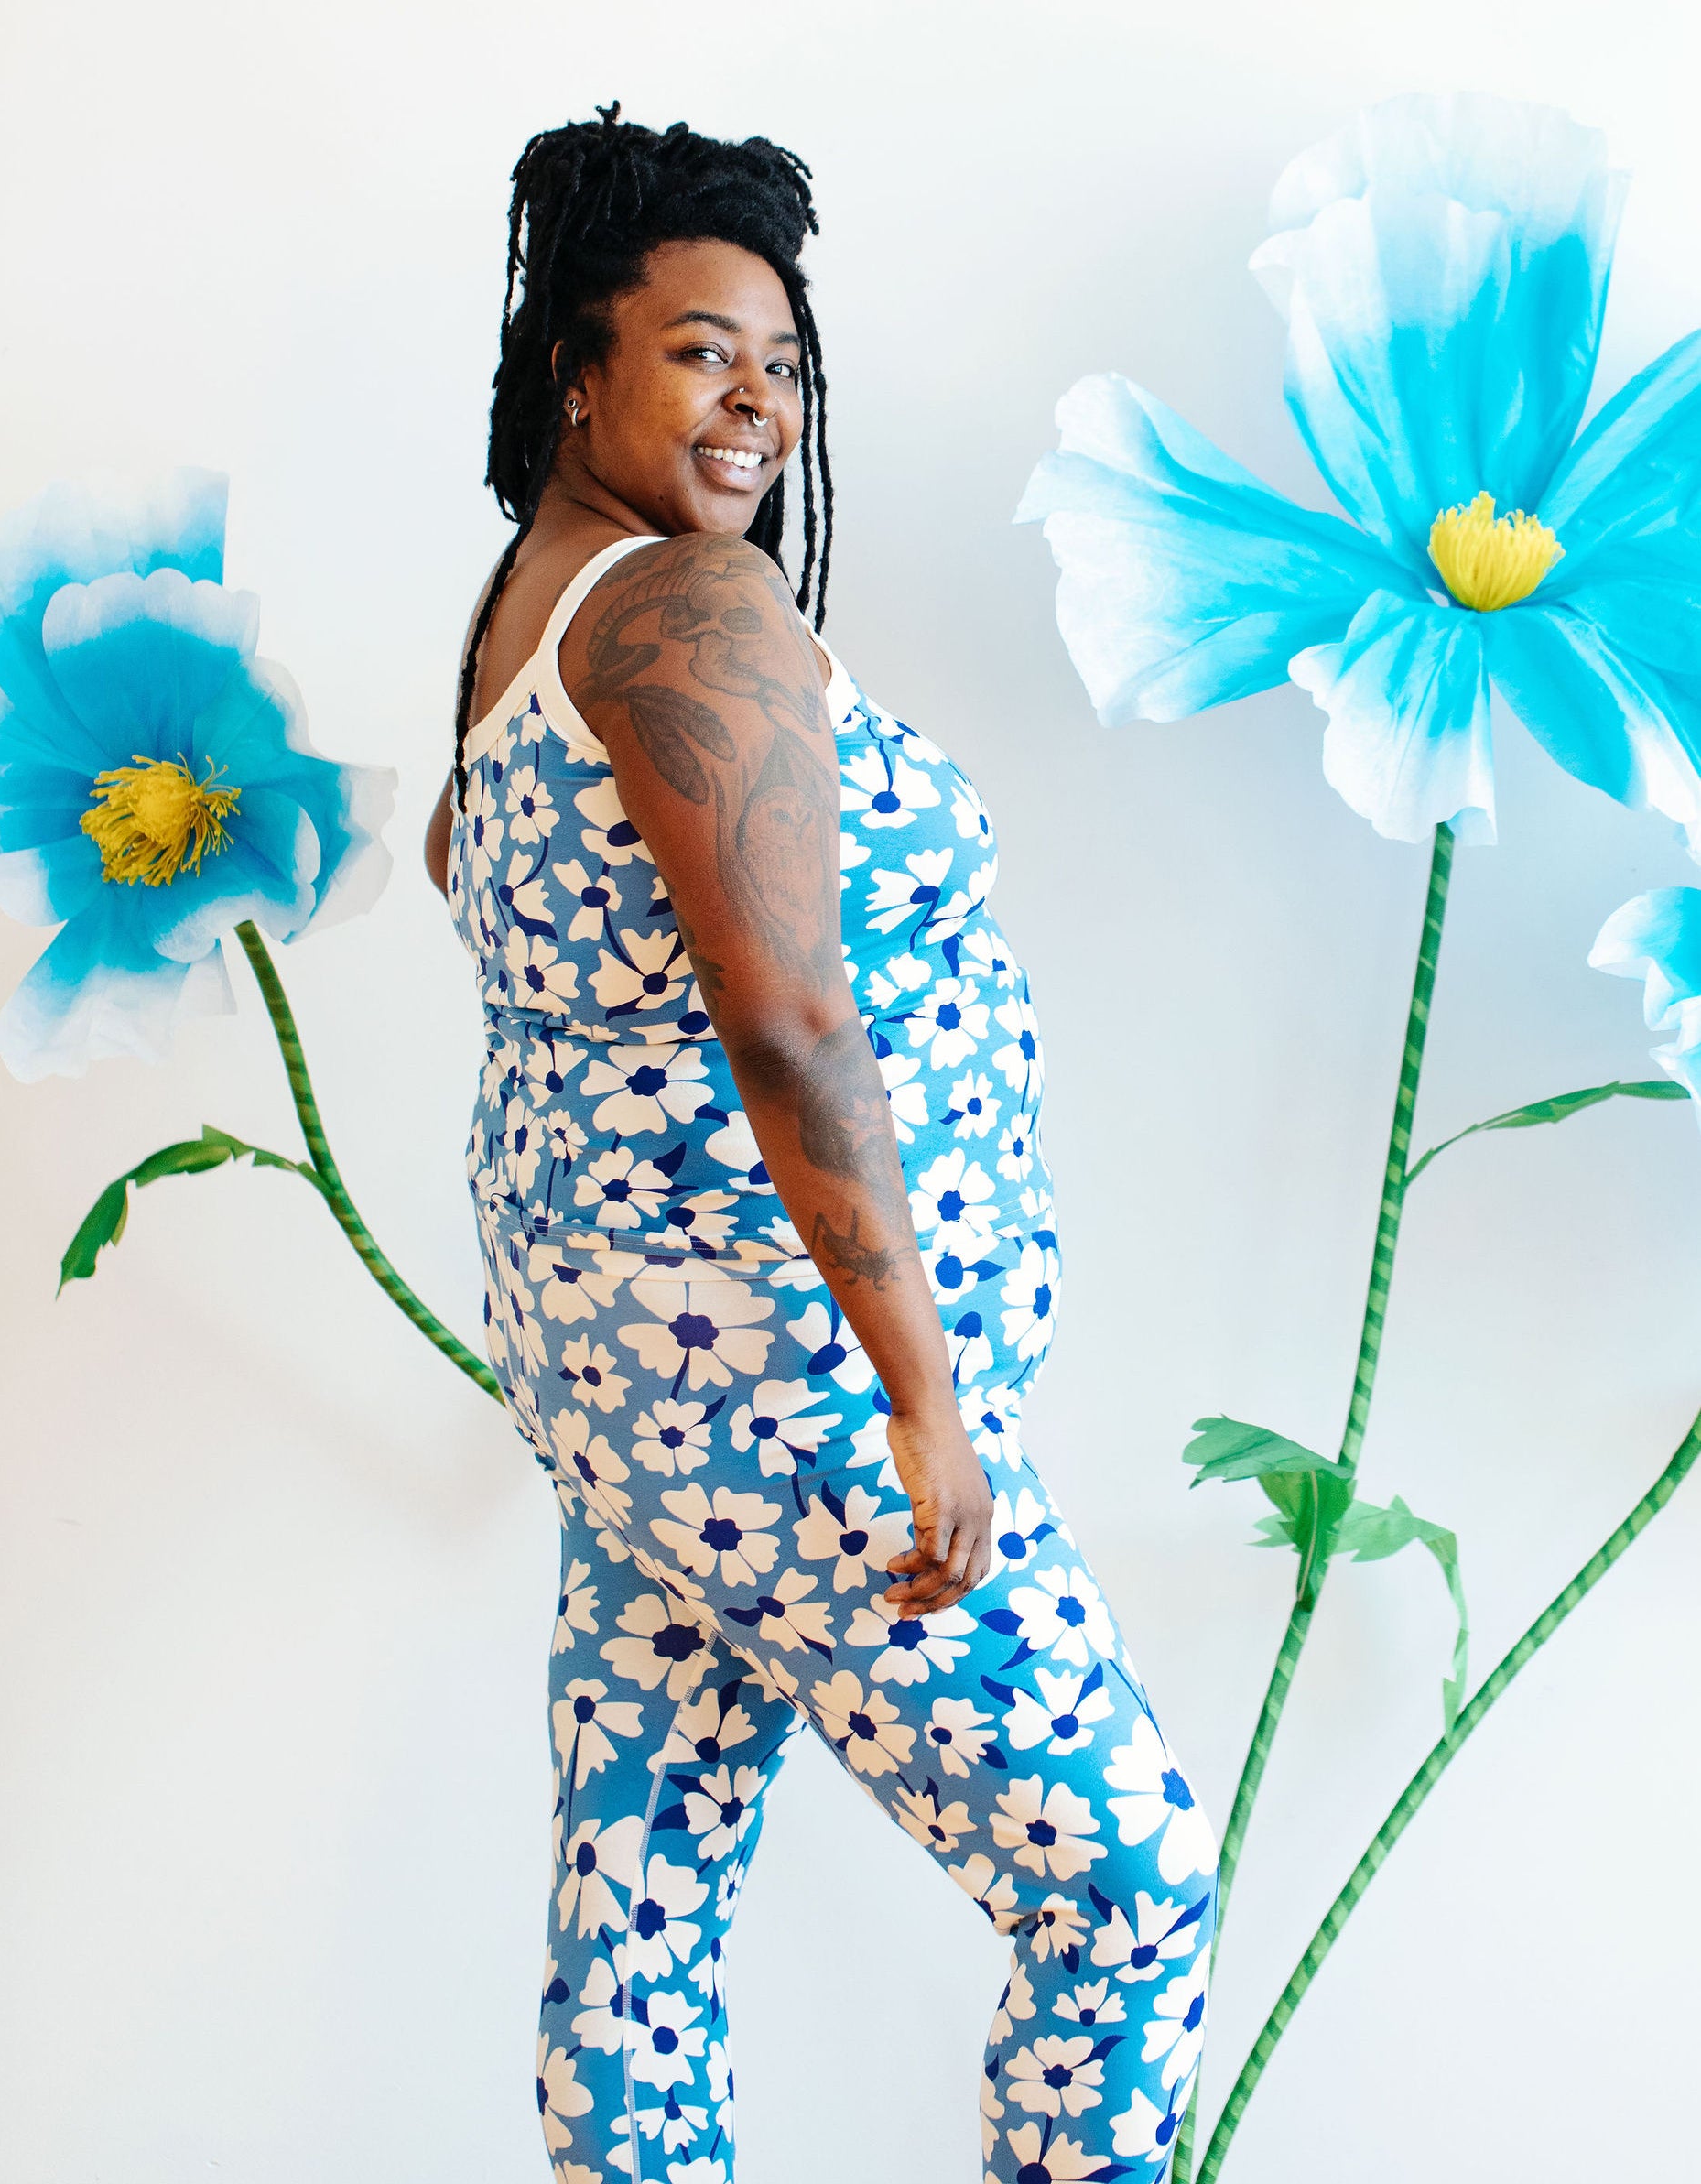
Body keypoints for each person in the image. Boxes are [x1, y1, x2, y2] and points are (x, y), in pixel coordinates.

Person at [425, 104, 1217, 2184]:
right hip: (796, 1396)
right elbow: (788, 1021)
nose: (759, 395)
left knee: (643, 1921)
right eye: (701, 348)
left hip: (636, 1402)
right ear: (575, 370)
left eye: (781, 359)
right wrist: (926, 1394)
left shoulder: (531, 610)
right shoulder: (689, 612)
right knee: (1122, 1889)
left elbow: (478, 872)